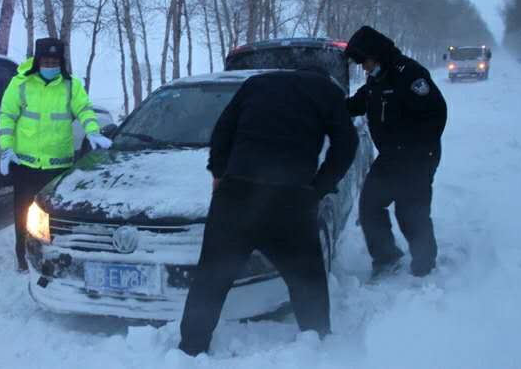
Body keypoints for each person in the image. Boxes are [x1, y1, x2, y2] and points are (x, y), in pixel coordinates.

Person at [178, 67, 358, 356]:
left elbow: (223, 130)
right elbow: (347, 145)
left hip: (236, 194)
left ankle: (190, 348)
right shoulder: (328, 92)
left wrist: (219, 173)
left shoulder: (256, 84)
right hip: (291, 199)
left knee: (211, 276)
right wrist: (319, 187)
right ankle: (318, 342)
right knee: (306, 276)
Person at [0, 38, 112, 271]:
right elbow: (7, 117)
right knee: (23, 215)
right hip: (25, 164)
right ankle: (23, 257)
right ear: (38, 61)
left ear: (61, 62)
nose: (50, 65)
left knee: (55, 217)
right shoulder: (20, 83)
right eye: (46, 60)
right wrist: (6, 148)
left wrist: (92, 131)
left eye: (55, 61)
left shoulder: (71, 86)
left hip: (58, 166)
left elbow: (84, 109)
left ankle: (57, 257)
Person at [344, 26, 447, 278]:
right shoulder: (376, 79)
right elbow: (358, 103)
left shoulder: (409, 74)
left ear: (376, 54)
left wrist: (415, 152)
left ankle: (425, 265)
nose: (364, 68)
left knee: (410, 211)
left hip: (418, 157)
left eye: (364, 62)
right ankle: (386, 257)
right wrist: (325, 107)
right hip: (391, 157)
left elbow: (436, 114)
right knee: (370, 206)